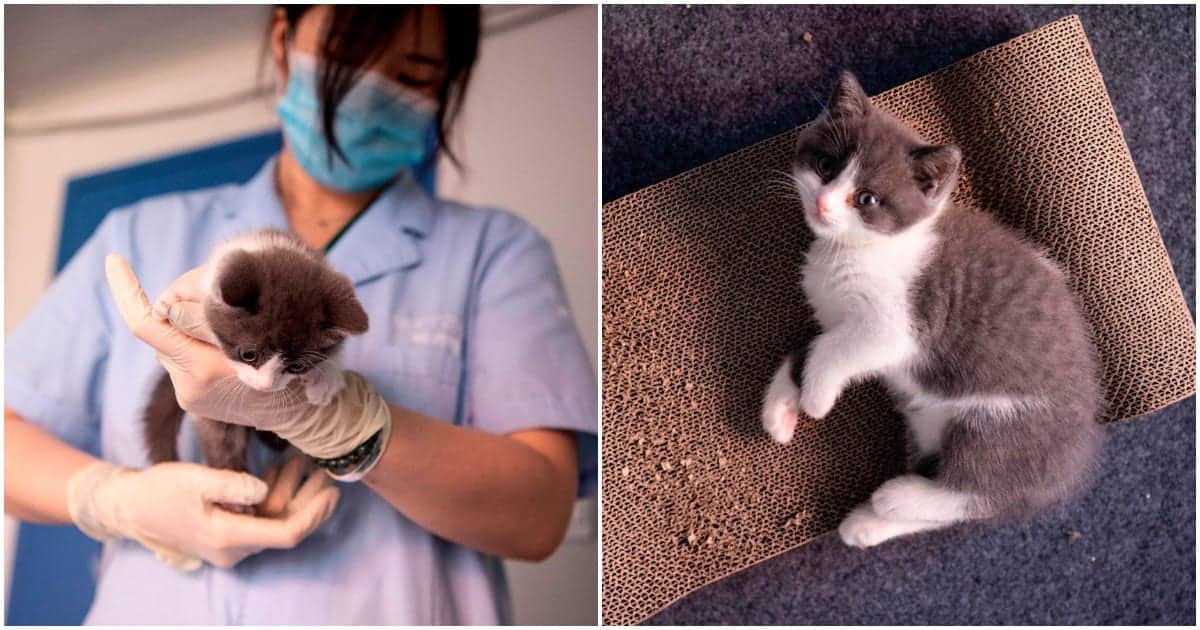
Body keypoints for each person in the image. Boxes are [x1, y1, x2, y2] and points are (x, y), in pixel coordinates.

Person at [4, 5, 596, 624]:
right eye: (344, 58)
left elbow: (539, 515)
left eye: (412, 74)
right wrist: (116, 500)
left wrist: (356, 427)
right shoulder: (143, 234)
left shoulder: (492, 254)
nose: (369, 91)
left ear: (447, 81)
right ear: (283, 40)